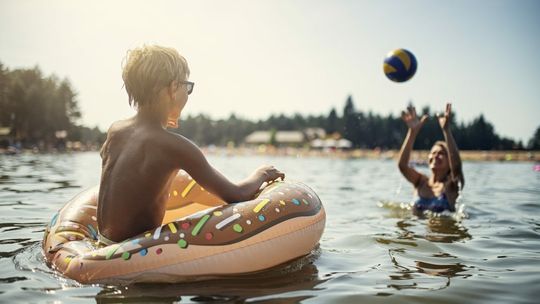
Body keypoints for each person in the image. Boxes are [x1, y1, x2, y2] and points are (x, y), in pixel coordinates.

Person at [97, 45, 284, 244]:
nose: (187, 94)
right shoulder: (173, 146)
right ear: (173, 88)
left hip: (103, 245)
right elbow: (236, 194)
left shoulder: (116, 130)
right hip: (133, 254)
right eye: (188, 87)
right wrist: (262, 173)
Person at [398, 103, 464, 214]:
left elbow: (457, 168)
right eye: (433, 153)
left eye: (441, 153)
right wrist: (412, 132)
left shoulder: (451, 186)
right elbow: (402, 166)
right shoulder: (420, 182)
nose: (435, 156)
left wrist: (446, 131)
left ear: (449, 161)